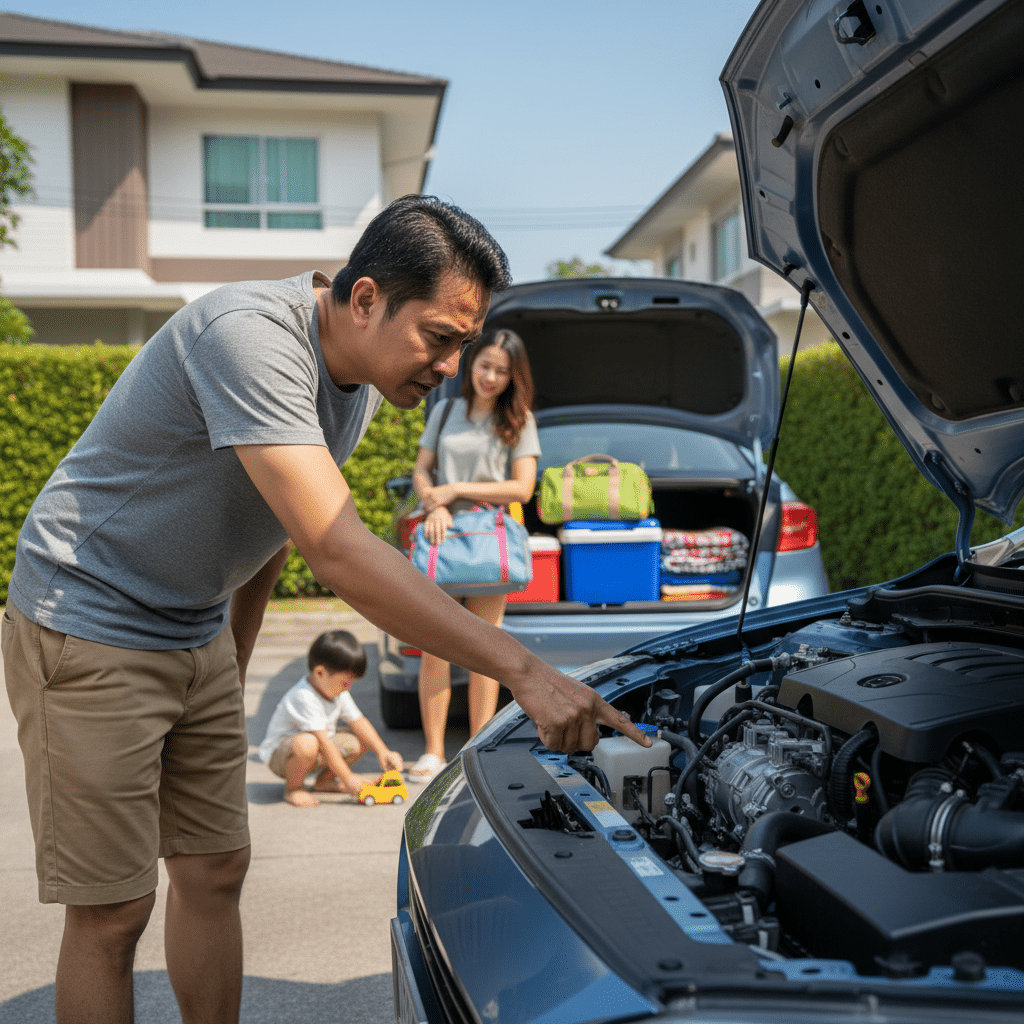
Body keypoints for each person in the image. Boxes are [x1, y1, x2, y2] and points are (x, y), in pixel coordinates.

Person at [1, 194, 649, 1024]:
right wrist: (525, 671)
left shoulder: (363, 380)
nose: (451, 365)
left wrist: (226, 665)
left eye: (465, 344)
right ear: (367, 297)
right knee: (111, 912)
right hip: (88, 620)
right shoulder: (248, 336)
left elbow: (273, 529)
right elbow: (336, 547)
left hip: (192, 629)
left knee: (214, 870)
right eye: (441, 338)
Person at [409, 329, 540, 781]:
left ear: (512, 378)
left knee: (486, 649)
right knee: (435, 647)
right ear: (471, 363)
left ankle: (477, 750)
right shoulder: (445, 411)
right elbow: (421, 470)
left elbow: (522, 487)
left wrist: (456, 489)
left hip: (487, 540)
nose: (490, 376)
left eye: (502, 371)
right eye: (484, 365)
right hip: (441, 534)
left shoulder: (519, 420)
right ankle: (431, 752)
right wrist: (434, 502)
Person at [258, 629, 404, 807]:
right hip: (283, 757)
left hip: (316, 750)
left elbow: (359, 722)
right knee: (308, 743)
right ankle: (294, 788)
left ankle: (324, 781)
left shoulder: (337, 692)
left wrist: (383, 752)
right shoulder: (304, 696)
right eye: (345, 683)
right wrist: (348, 778)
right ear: (320, 672)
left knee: (362, 739)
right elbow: (325, 745)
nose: (348, 688)